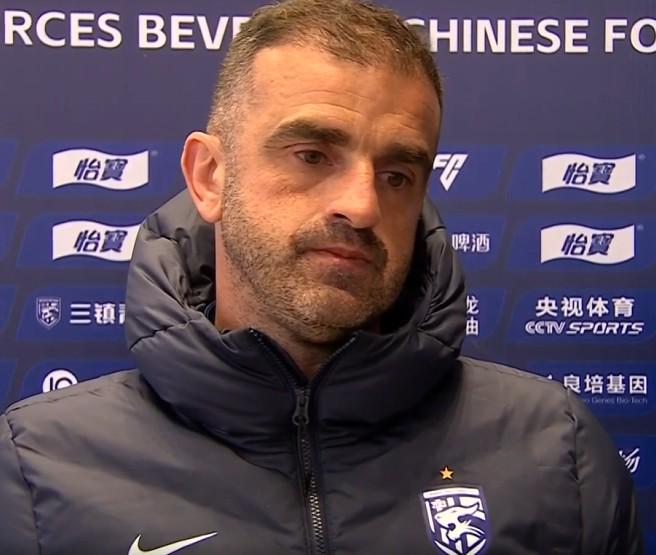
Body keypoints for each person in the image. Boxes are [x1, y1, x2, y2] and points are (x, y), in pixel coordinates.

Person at [0, 0, 643, 553]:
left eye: (397, 175)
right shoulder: (37, 471)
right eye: (311, 155)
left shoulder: (556, 455)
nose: (362, 206)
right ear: (209, 177)